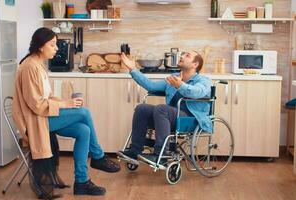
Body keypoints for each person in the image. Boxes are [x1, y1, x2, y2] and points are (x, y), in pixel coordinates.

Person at [12, 27, 120, 198]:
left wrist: (66, 103)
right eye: (53, 45)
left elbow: (47, 97)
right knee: (84, 113)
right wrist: (67, 104)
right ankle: (98, 156)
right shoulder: (29, 67)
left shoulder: (38, 65)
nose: (56, 48)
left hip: (44, 117)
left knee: (83, 131)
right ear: (41, 46)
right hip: (36, 122)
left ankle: (82, 182)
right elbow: (37, 105)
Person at [118, 50, 213, 164]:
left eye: (187, 55)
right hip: (171, 117)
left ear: (195, 64)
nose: (182, 56)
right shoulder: (174, 78)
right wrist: (133, 69)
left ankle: (161, 155)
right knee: (141, 108)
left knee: (162, 109)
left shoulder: (203, 80)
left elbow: (197, 92)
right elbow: (151, 86)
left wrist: (180, 85)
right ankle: (135, 151)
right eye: (182, 54)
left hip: (192, 120)